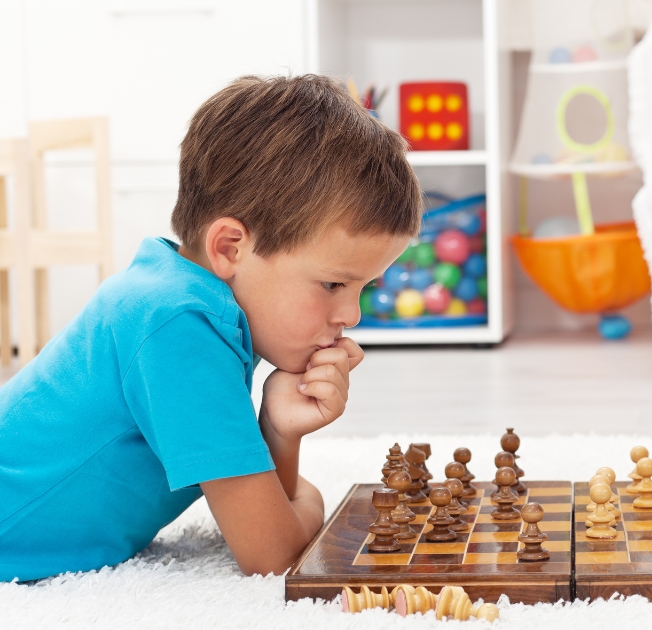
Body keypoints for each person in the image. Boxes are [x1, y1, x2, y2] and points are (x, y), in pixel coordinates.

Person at [0, 75, 421, 581]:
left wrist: (280, 432)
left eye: (364, 288)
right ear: (228, 248)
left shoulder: (185, 299)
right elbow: (274, 556)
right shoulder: (177, 323)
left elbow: (266, 517)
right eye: (333, 284)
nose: (352, 315)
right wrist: (313, 506)